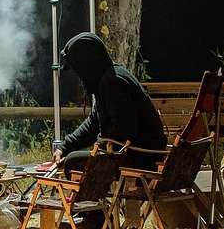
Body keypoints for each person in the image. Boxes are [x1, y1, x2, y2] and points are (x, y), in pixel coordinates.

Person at [51, 31, 165, 172]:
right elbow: (93, 124)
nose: (79, 76)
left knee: (73, 163)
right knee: (73, 157)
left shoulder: (113, 83)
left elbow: (125, 128)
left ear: (87, 64)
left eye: (78, 69)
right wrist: (65, 147)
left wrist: (99, 146)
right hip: (133, 152)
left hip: (142, 156)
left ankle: (95, 192)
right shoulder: (107, 78)